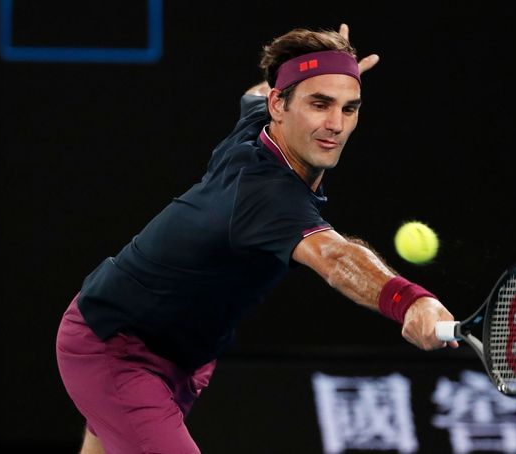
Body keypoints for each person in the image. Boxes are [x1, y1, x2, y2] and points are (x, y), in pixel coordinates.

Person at [56, 23, 459, 454]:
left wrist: (331, 68)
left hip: (180, 351)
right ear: (279, 106)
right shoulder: (267, 196)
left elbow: (254, 91)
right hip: (116, 345)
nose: (335, 124)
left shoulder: (256, 124)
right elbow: (337, 257)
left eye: (349, 107)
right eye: (319, 104)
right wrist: (411, 300)